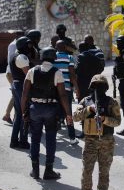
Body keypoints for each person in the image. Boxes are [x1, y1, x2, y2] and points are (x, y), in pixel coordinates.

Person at [21, 46, 73, 180]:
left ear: (42, 56)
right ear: (54, 57)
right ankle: (48, 171)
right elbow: (62, 95)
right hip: (51, 110)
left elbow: (25, 95)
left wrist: (24, 113)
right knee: (50, 140)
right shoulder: (57, 73)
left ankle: (35, 170)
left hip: (35, 109)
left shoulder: (32, 71)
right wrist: (68, 114)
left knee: (35, 139)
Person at [73, 74, 121, 190]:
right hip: (90, 141)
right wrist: (89, 109)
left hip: (107, 141)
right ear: (91, 87)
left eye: (101, 86)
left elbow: (117, 122)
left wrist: (104, 119)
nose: (98, 89)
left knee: (104, 172)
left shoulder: (112, 102)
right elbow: (75, 117)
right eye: (95, 86)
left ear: (105, 88)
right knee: (87, 171)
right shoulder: (85, 101)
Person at [75, 41, 104, 138]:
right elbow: (101, 68)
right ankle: (96, 128)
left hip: (83, 86)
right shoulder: (95, 56)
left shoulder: (81, 56)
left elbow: (77, 71)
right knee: (94, 105)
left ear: (80, 49)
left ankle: (85, 131)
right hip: (93, 85)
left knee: (84, 108)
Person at [53, 40, 80, 145]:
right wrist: (77, 88)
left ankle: (53, 136)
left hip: (54, 90)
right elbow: (72, 75)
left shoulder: (52, 57)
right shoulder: (69, 58)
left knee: (54, 113)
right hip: (66, 89)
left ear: (56, 47)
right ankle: (72, 138)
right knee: (68, 113)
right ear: (65, 47)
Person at [9, 36, 33, 149]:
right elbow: (29, 74)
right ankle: (23, 141)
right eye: (27, 45)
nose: (29, 47)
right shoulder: (22, 57)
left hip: (16, 85)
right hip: (21, 86)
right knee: (24, 113)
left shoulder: (14, 55)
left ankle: (14, 141)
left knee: (18, 114)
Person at [3, 30, 24, 125]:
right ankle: (9, 115)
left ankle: (8, 115)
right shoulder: (14, 45)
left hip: (12, 71)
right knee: (16, 93)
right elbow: (12, 59)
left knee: (15, 94)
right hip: (12, 72)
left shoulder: (15, 43)